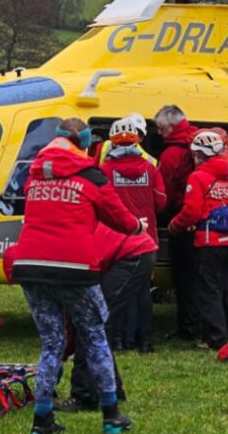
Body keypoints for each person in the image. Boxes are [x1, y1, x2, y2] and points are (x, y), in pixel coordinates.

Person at [7, 117, 146, 434]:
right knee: (95, 336)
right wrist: (139, 226)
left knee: (51, 343)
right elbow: (120, 219)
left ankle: (42, 420)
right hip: (76, 270)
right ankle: (111, 416)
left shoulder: (34, 176)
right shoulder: (90, 177)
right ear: (84, 143)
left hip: (31, 266)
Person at [58, 225, 158, 413]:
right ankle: (112, 388)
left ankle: (84, 395)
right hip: (127, 250)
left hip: (132, 254)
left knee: (91, 323)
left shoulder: (63, 260)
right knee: (94, 323)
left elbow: (72, 315)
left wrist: (61, 352)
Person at [169, 130, 228, 351]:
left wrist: (175, 225)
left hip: (211, 240)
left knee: (208, 290)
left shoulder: (198, 176)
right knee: (225, 284)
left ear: (200, 155)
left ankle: (216, 338)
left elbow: (191, 211)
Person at [100, 117, 167, 353]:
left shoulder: (104, 170)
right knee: (142, 292)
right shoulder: (151, 168)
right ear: (137, 140)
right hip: (147, 239)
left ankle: (118, 340)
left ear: (114, 143)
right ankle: (145, 341)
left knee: (117, 292)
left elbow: (100, 204)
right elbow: (161, 201)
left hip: (115, 239)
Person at [154, 105, 200, 341]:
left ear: (172, 127)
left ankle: (188, 326)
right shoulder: (197, 141)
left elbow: (165, 192)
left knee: (183, 276)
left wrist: (160, 215)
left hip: (182, 218)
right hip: (203, 222)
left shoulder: (171, 154)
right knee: (201, 276)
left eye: (161, 129)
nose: (159, 134)